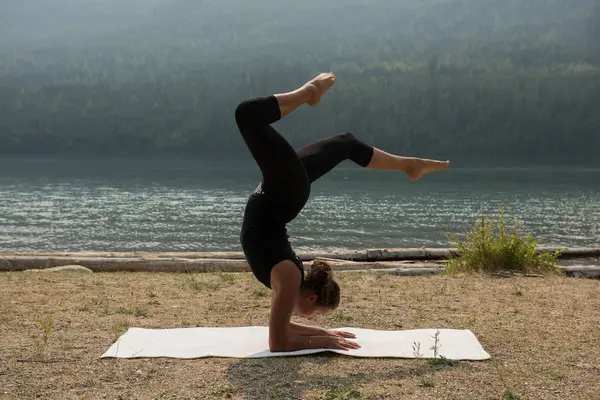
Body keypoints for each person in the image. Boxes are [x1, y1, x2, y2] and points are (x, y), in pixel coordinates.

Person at [235, 72, 449, 353]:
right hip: (282, 192)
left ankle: (409, 165)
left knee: (345, 143)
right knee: (247, 115)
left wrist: (324, 332)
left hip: (282, 192)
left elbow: (281, 332)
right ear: (312, 299)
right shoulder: (289, 280)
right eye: (318, 315)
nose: (312, 319)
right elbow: (279, 342)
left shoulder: (289, 281)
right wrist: (326, 339)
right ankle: (308, 92)